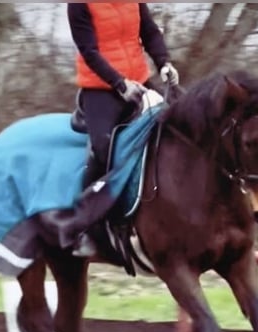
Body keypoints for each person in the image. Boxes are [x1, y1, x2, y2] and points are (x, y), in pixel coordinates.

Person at [38, 2, 180, 257]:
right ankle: (85, 228)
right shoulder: (79, 5)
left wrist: (164, 63)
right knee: (103, 149)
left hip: (139, 80)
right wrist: (119, 83)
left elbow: (149, 32)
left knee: (177, 126)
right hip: (101, 88)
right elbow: (89, 51)